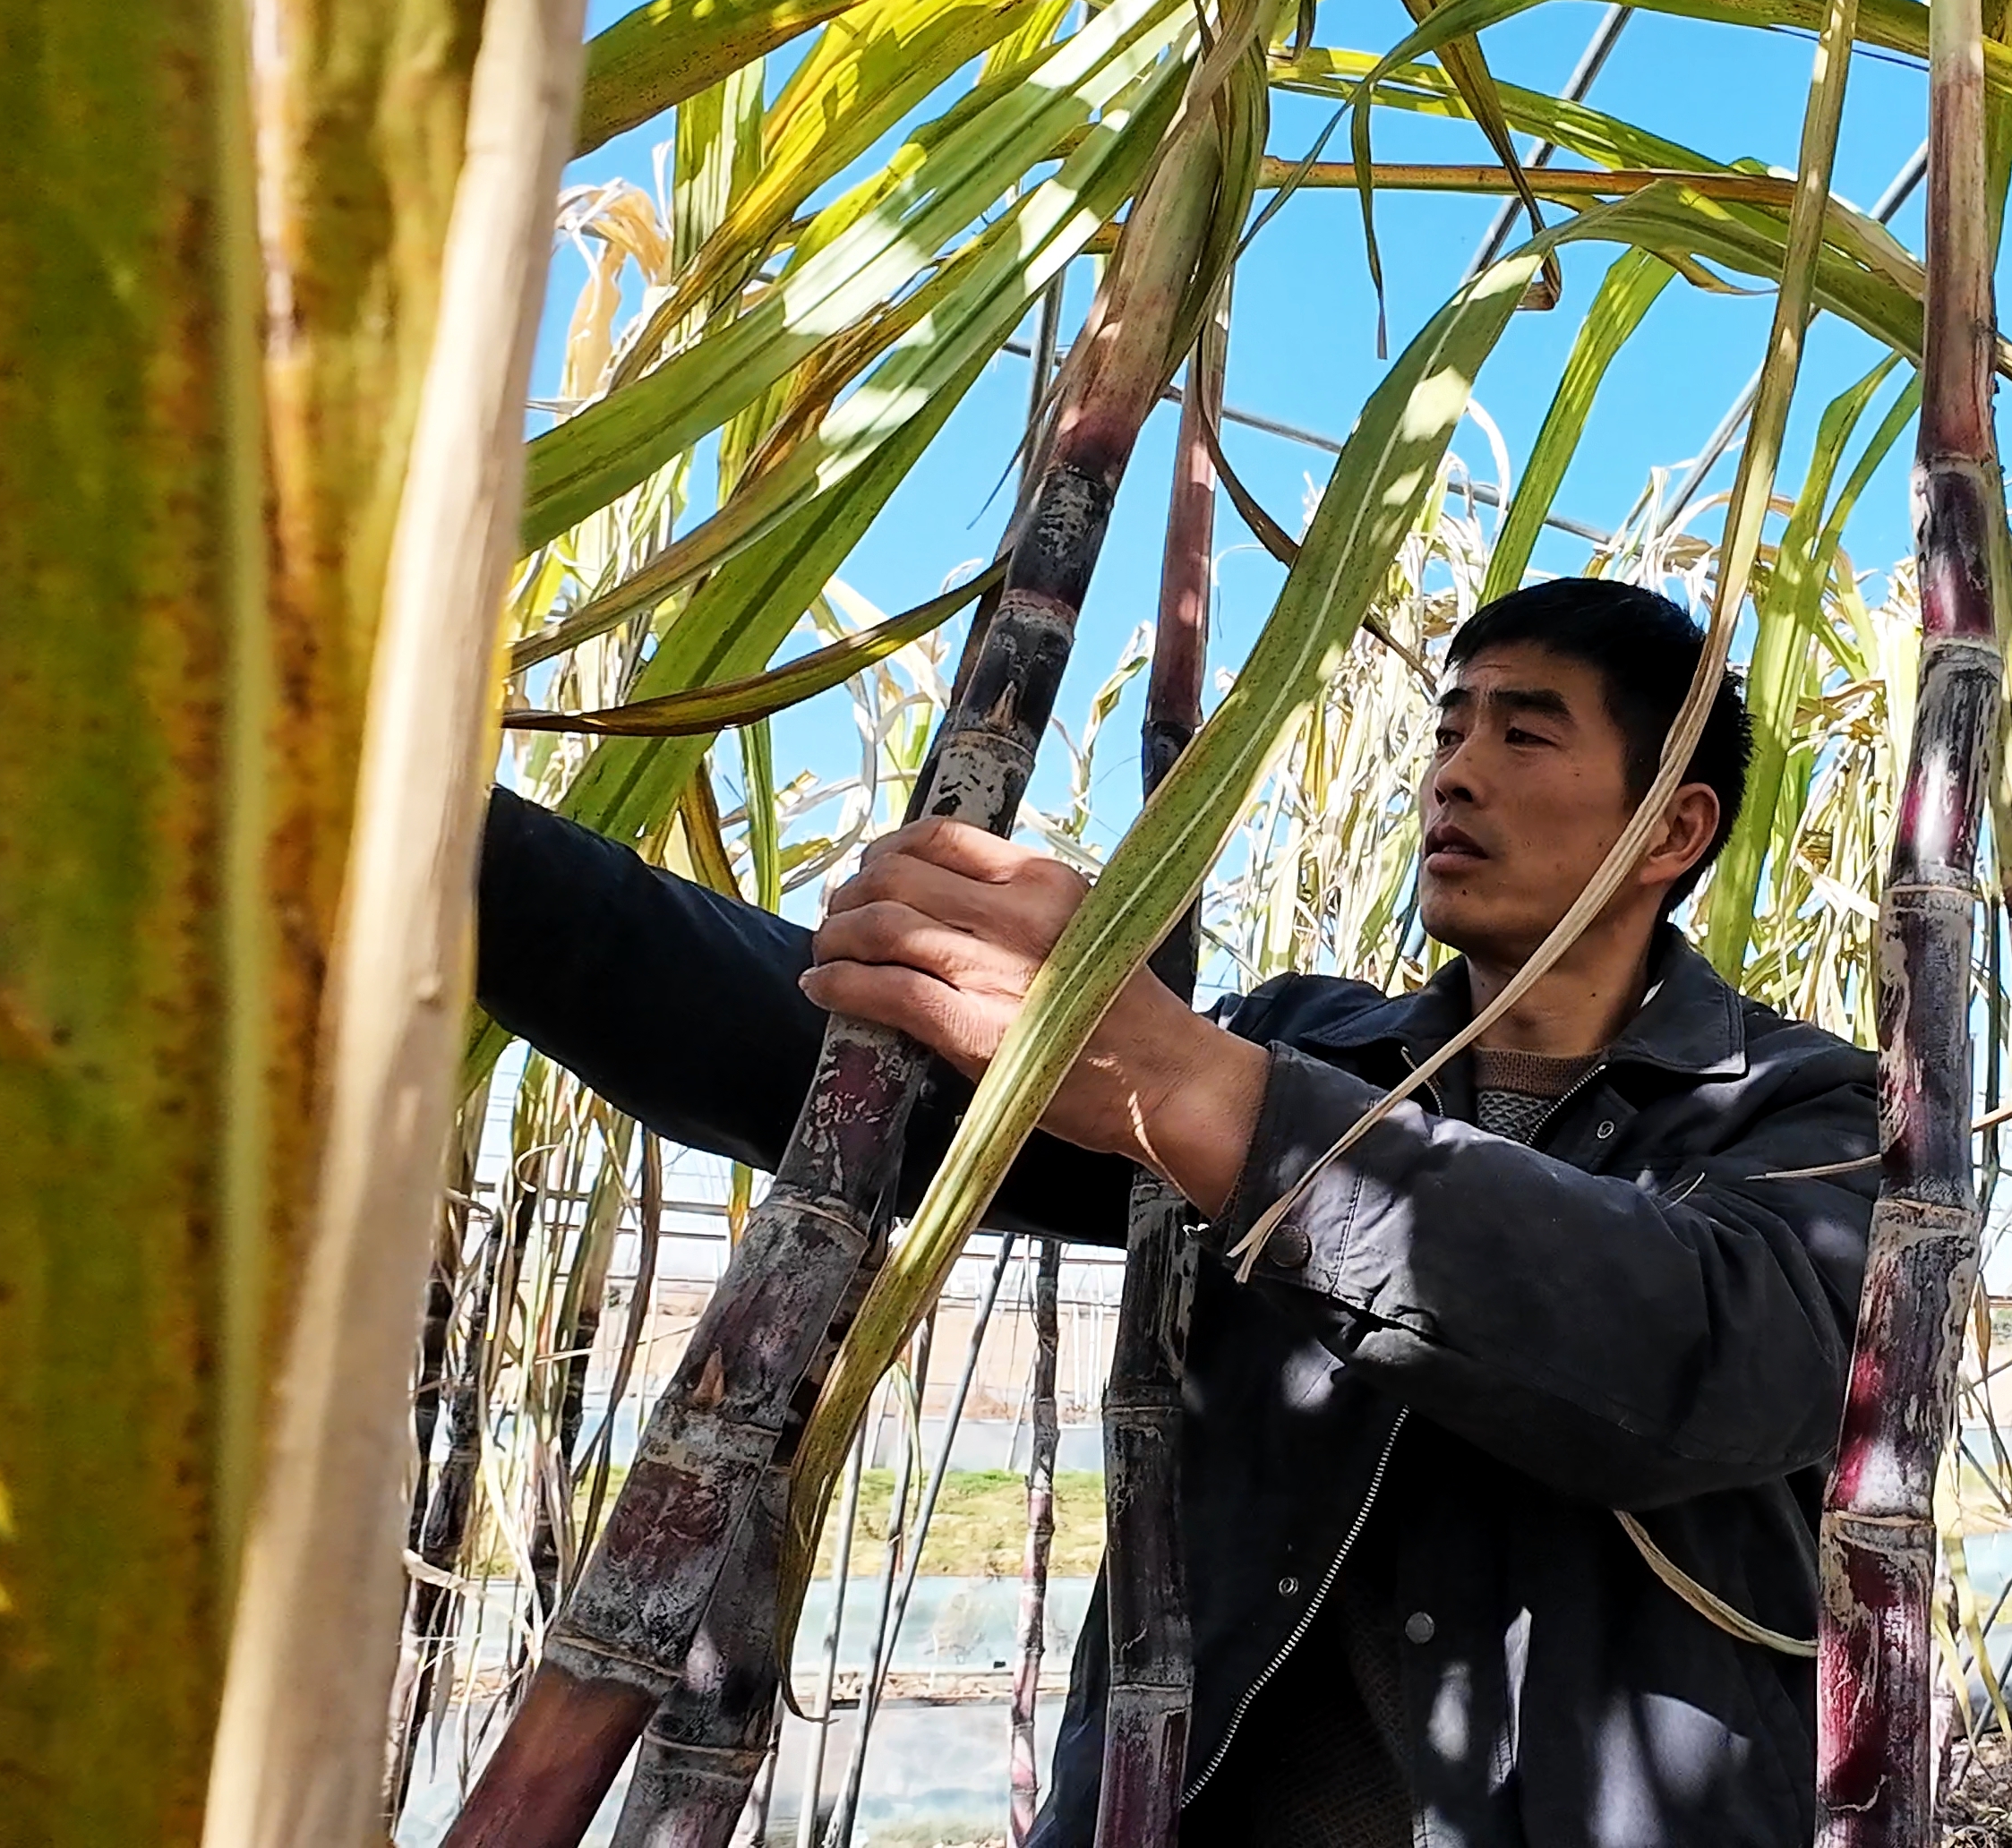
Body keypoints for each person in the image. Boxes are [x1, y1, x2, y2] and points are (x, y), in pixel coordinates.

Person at [476, 577, 1881, 1847]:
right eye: (1449, 727)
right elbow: (857, 1086)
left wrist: (1194, 1085)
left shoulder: (1804, 1107)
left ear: (1672, 826)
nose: (1456, 771)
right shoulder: (1304, 1050)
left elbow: (1710, 1357)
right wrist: (444, 844)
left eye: (1524, 735)